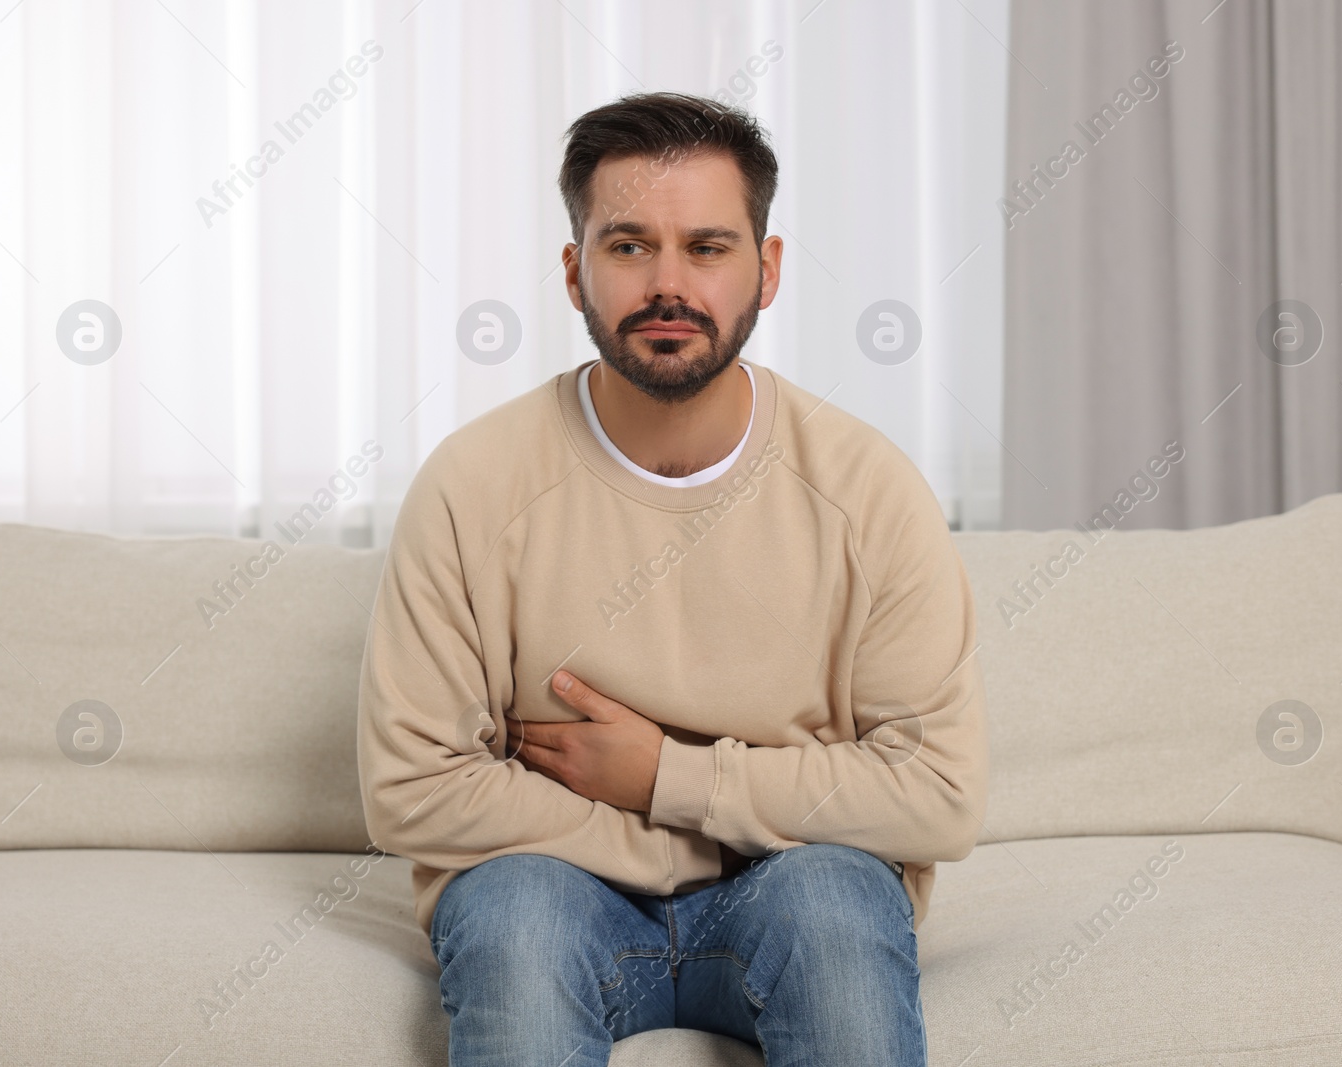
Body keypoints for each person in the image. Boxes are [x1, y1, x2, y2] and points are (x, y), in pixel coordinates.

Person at [356, 89, 988, 1066]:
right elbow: (411, 790)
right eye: (627, 245)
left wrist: (664, 775)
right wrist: (696, 833)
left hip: (794, 888)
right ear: (574, 272)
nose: (666, 283)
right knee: (514, 913)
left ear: (766, 270)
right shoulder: (473, 484)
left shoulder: (869, 492)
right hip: (555, 885)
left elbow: (939, 794)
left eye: (706, 246)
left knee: (830, 895)